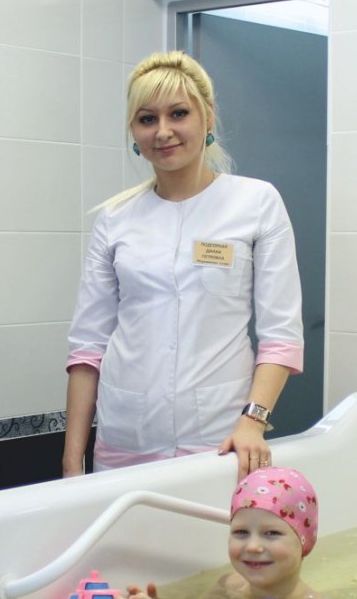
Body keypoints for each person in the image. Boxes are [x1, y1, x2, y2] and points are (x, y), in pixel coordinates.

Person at [62, 51, 303, 480]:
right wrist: (71, 462)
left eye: (178, 114)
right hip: (125, 439)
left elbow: (281, 337)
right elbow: (87, 348)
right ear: (134, 132)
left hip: (221, 441)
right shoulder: (115, 219)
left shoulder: (256, 203)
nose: (163, 131)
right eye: (147, 119)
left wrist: (253, 421)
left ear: (208, 118)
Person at [97, 466, 324, 599]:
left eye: (271, 533)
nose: (252, 546)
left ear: (304, 542)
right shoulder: (231, 585)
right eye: (241, 532)